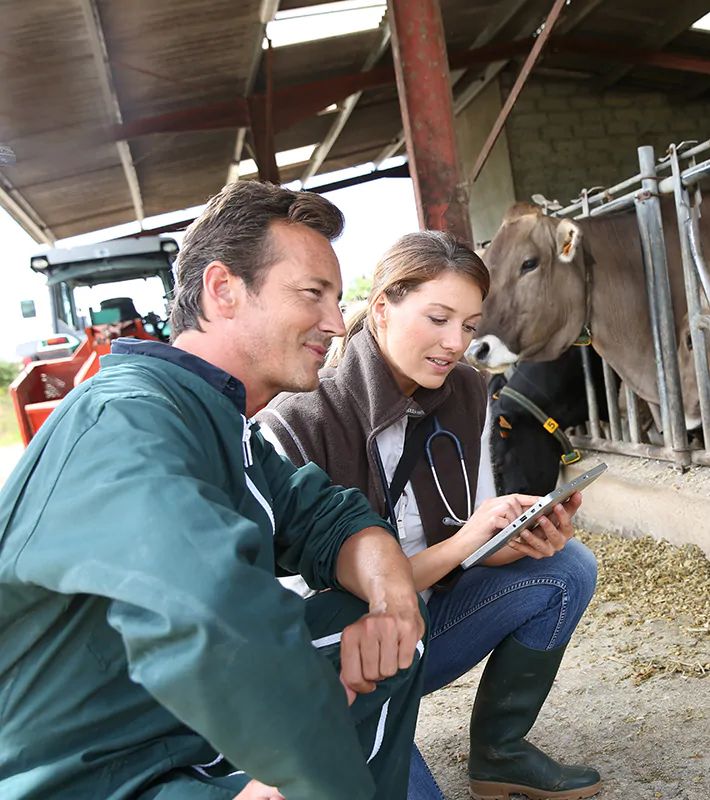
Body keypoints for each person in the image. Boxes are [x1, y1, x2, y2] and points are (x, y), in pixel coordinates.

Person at [0, 181, 428, 800]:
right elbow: (208, 612)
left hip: (172, 729)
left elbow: (330, 520)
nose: (338, 324)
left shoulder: (224, 425)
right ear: (223, 290)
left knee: (377, 629)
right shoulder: (127, 418)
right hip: (91, 774)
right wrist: (315, 776)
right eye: (313, 294)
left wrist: (394, 602)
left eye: (337, 300)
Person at [257, 230, 601, 800]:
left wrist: (507, 540)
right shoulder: (296, 422)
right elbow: (314, 610)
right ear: (382, 308)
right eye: (438, 318)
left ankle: (499, 754)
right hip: (344, 661)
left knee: (567, 567)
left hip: (422, 625)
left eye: (469, 325)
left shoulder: (466, 391)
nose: (455, 343)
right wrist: (464, 544)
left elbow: (466, 530)